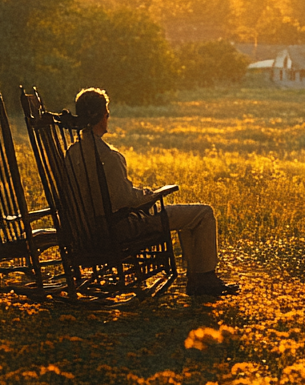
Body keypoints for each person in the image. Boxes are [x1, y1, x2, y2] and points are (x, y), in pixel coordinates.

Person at [65, 87, 239, 297]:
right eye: (107, 114)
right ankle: (204, 278)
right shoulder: (108, 156)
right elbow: (123, 199)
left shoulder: (72, 154)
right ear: (104, 116)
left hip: (86, 232)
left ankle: (199, 277)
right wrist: (151, 195)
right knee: (202, 213)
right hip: (118, 229)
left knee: (187, 216)